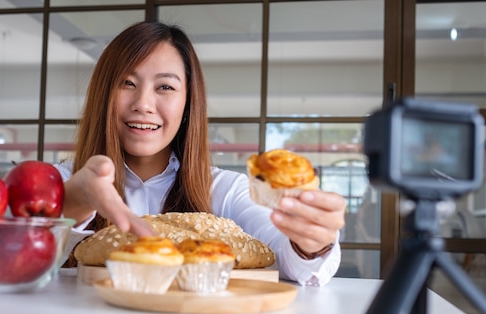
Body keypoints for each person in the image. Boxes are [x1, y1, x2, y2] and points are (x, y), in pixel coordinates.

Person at [56, 21, 346, 286]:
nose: (143, 103)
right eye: (127, 83)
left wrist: (311, 242)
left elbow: (284, 256)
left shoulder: (226, 190)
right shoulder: (59, 183)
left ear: (188, 104)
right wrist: (73, 204)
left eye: (165, 87)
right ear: (103, 95)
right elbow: (15, 259)